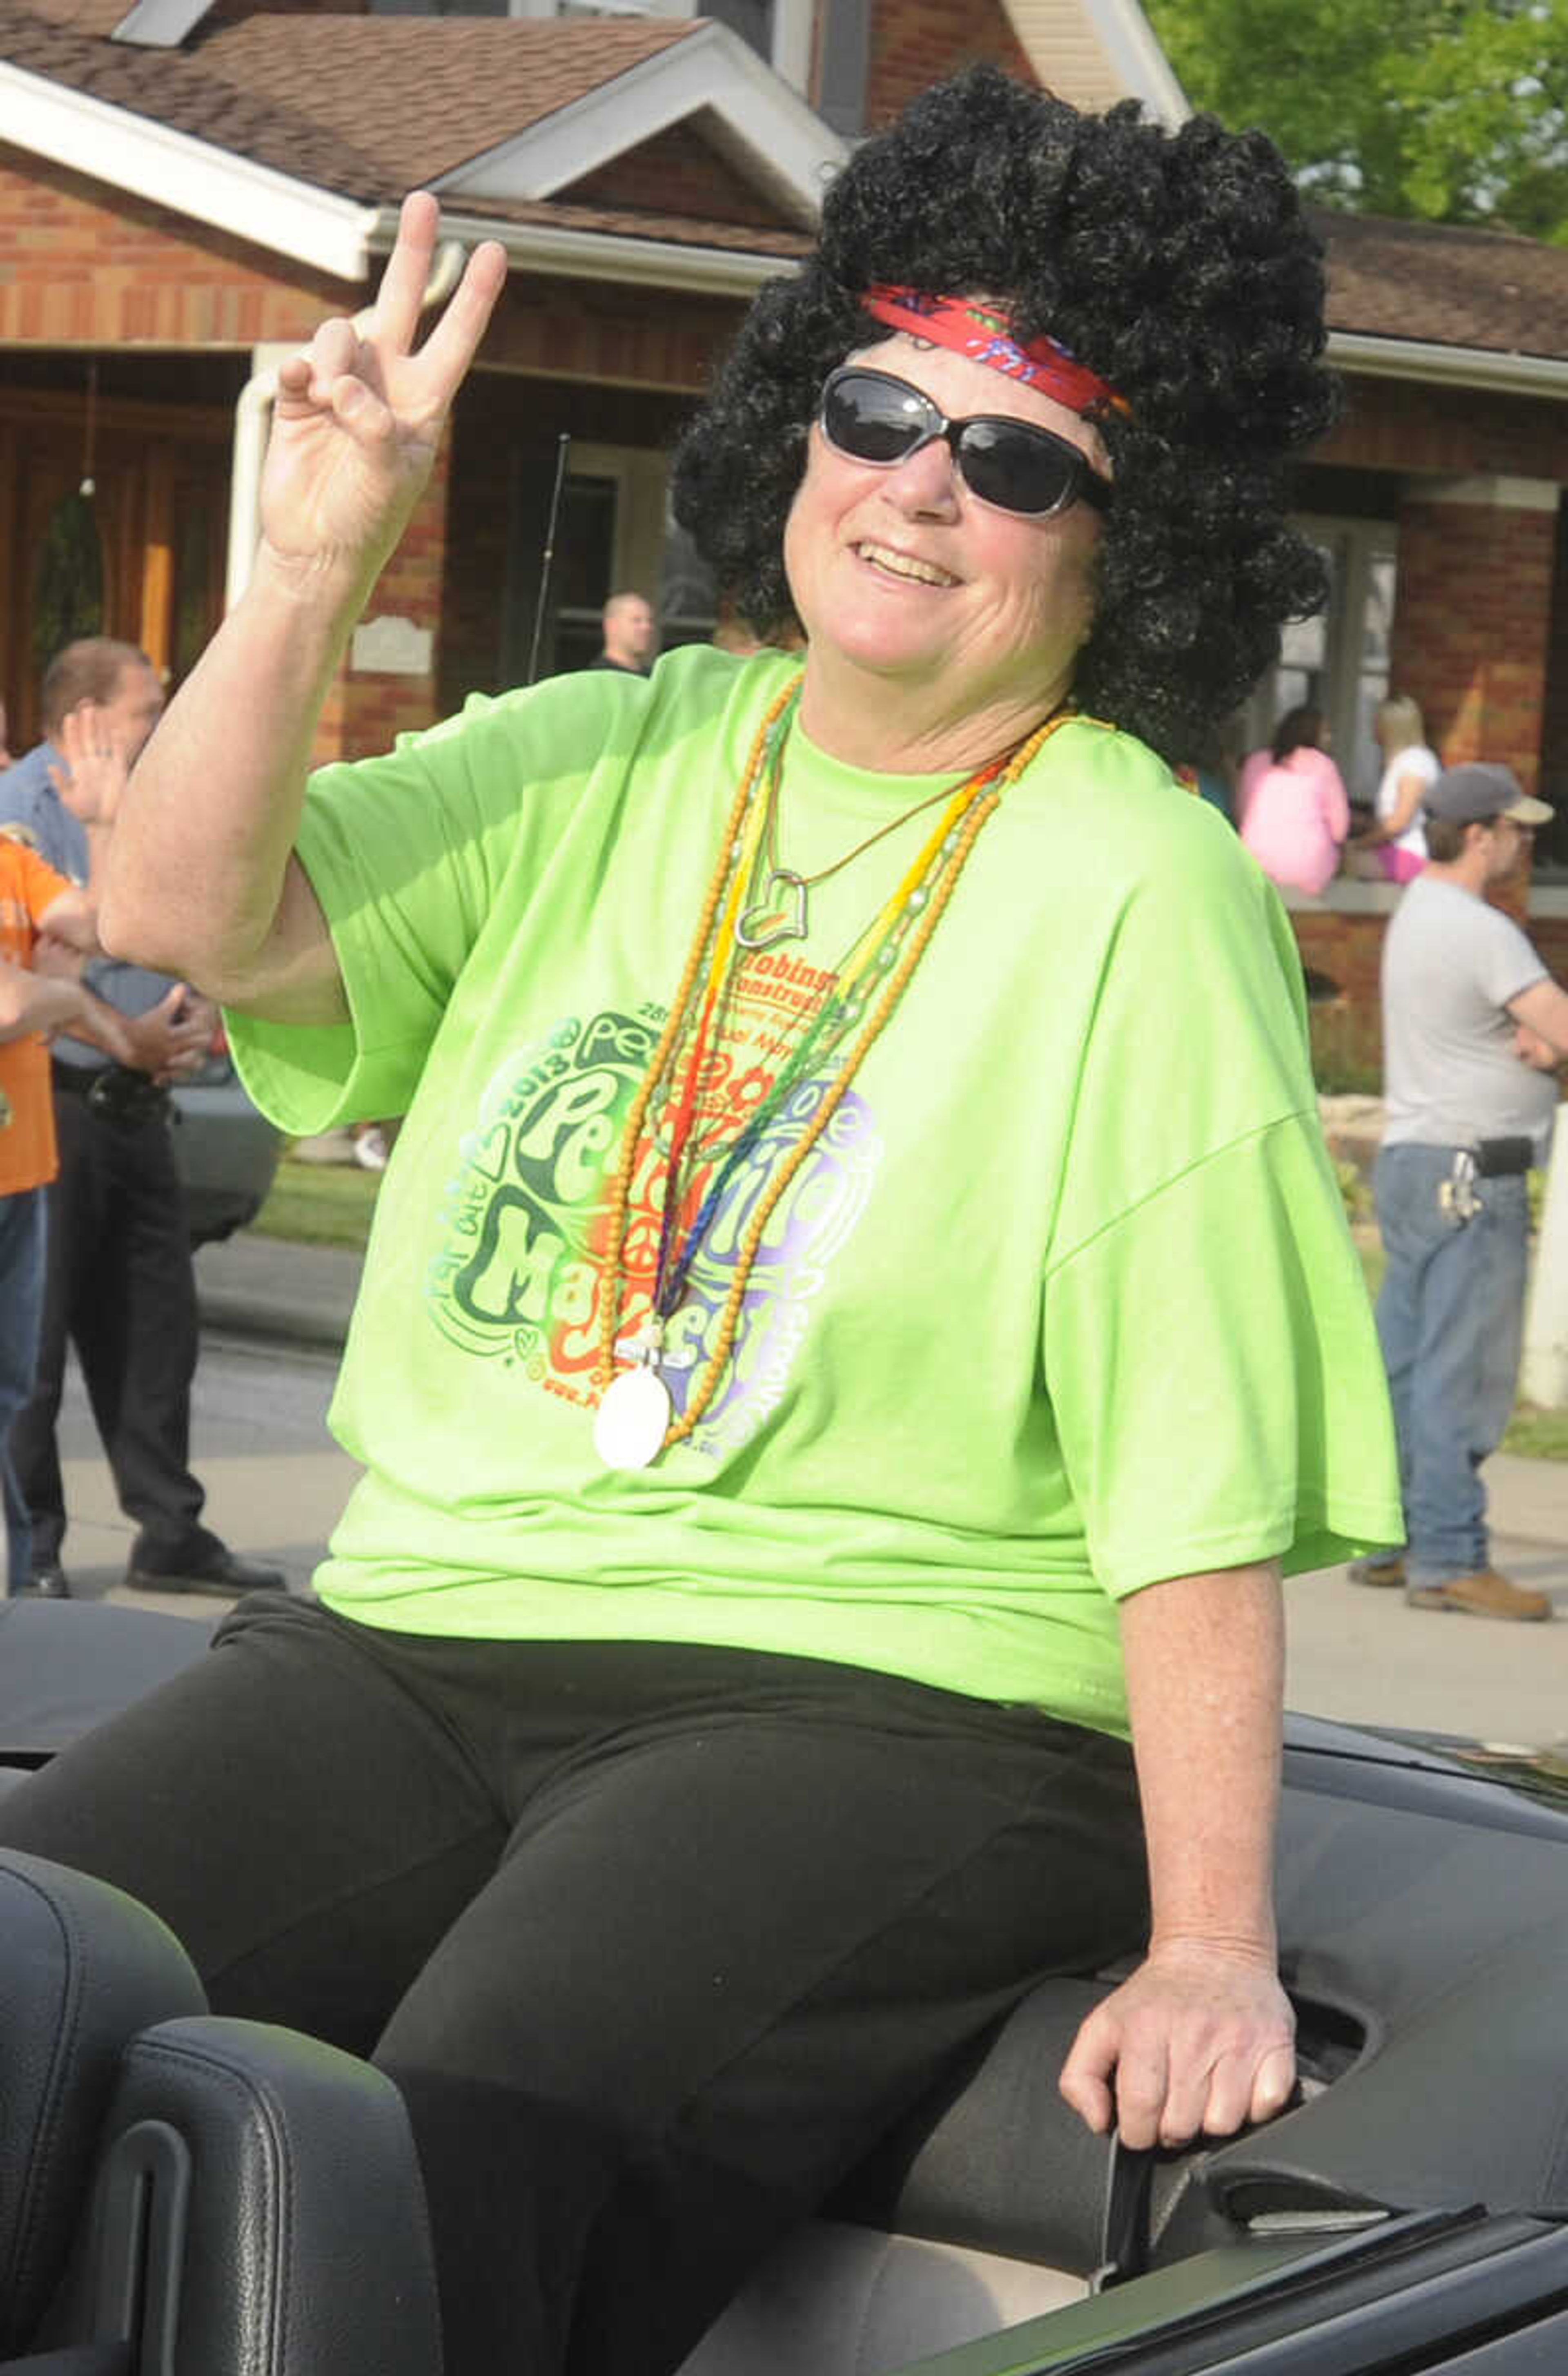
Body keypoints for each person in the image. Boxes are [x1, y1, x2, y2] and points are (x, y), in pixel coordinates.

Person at [0, 70, 1402, 2376]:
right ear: (796, 417)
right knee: (30, 1975)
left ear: (1115, 547)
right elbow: (172, 905)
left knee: (452, 2131)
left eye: (1017, 457)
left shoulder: (1132, 888)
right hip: (430, 1635)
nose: (918, 488)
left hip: (889, 1696)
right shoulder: (608, 745)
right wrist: (313, 559)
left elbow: (1188, 1450)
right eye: (879, 408)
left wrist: (1209, 1934)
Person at [0, 639, 286, 1601]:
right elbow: (28, 989)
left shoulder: (133, 799)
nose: (162, 722)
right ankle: (31, 1548)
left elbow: (145, 925)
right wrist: (106, 1025)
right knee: (29, 1355)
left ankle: (169, 1530)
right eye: (146, 708)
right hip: (56, 1110)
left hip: (135, 1101)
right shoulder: (22, 814)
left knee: (156, 1330)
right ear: (82, 716)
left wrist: (192, 1007)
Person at [1352, 761, 1566, 1621]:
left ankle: (1396, 1536)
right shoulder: (1483, 930)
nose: (1525, 841)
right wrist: (1549, 1051)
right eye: (1517, 828)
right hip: (1474, 1176)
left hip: (1416, 1164)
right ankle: (1448, 1554)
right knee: (1461, 1371)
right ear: (1480, 835)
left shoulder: (1420, 916)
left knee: (1405, 1363)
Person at [1, 742, 136, 1592]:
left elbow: (113, 927)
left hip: (21, 1174)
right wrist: (56, 989)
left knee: (10, 1400)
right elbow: (10, 1004)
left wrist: (105, 824)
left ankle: (16, 1600)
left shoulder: (15, 860)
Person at [1235, 704, 1350, 896]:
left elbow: (1242, 815)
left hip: (1254, 866)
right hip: (1309, 870)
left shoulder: (1256, 761)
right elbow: (1340, 831)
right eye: (1326, 732)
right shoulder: (1323, 765)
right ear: (1312, 734)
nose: (1330, 738)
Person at [1347, 693, 1439, 883]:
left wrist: (1358, 844)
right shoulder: (1403, 761)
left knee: (1338, 863)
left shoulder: (1415, 762)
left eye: (1378, 722)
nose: (1373, 728)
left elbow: (1400, 821)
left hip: (1411, 855)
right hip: (1397, 852)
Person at [591, 589, 657, 674]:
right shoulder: (595, 678)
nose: (647, 628)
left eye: (650, 621)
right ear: (611, 625)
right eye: (637, 620)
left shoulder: (654, 680)